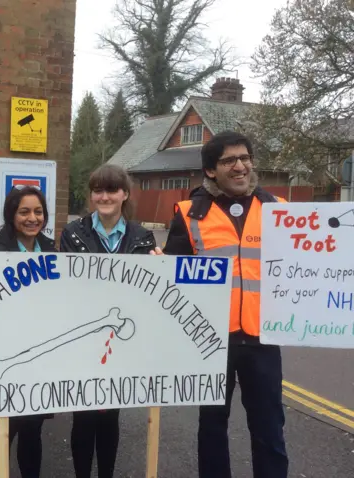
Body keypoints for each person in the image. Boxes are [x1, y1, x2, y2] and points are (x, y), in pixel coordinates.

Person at [163, 131, 288, 478]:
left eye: (245, 158)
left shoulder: (278, 210)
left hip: (263, 338)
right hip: (212, 341)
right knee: (213, 427)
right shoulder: (189, 215)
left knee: (269, 429)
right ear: (211, 170)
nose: (240, 166)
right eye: (229, 160)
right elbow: (173, 280)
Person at [60, 164, 159, 478]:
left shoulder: (142, 236)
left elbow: (151, 290)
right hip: (84, 335)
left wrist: (162, 267)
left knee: (110, 414)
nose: (104, 196)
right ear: (91, 195)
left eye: (112, 190)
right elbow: (64, 285)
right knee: (84, 415)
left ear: (124, 194)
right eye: (98, 190)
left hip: (122, 337)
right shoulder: (73, 233)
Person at [0, 185, 56, 478]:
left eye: (38, 211)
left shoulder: (52, 249)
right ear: (11, 215)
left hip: (40, 350)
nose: (32, 218)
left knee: (33, 428)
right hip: (6, 350)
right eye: (24, 211)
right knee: (4, 428)